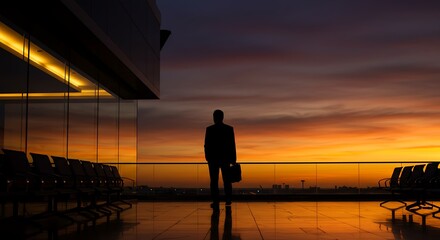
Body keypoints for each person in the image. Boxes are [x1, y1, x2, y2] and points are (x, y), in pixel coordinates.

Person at [204, 109, 236, 208]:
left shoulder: (209, 129)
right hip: (225, 158)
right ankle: (228, 199)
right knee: (227, 180)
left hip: (213, 159)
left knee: (214, 181)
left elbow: (206, 145)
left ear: (214, 117)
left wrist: (208, 157)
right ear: (222, 117)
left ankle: (216, 201)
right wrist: (233, 159)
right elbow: (232, 145)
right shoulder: (228, 129)